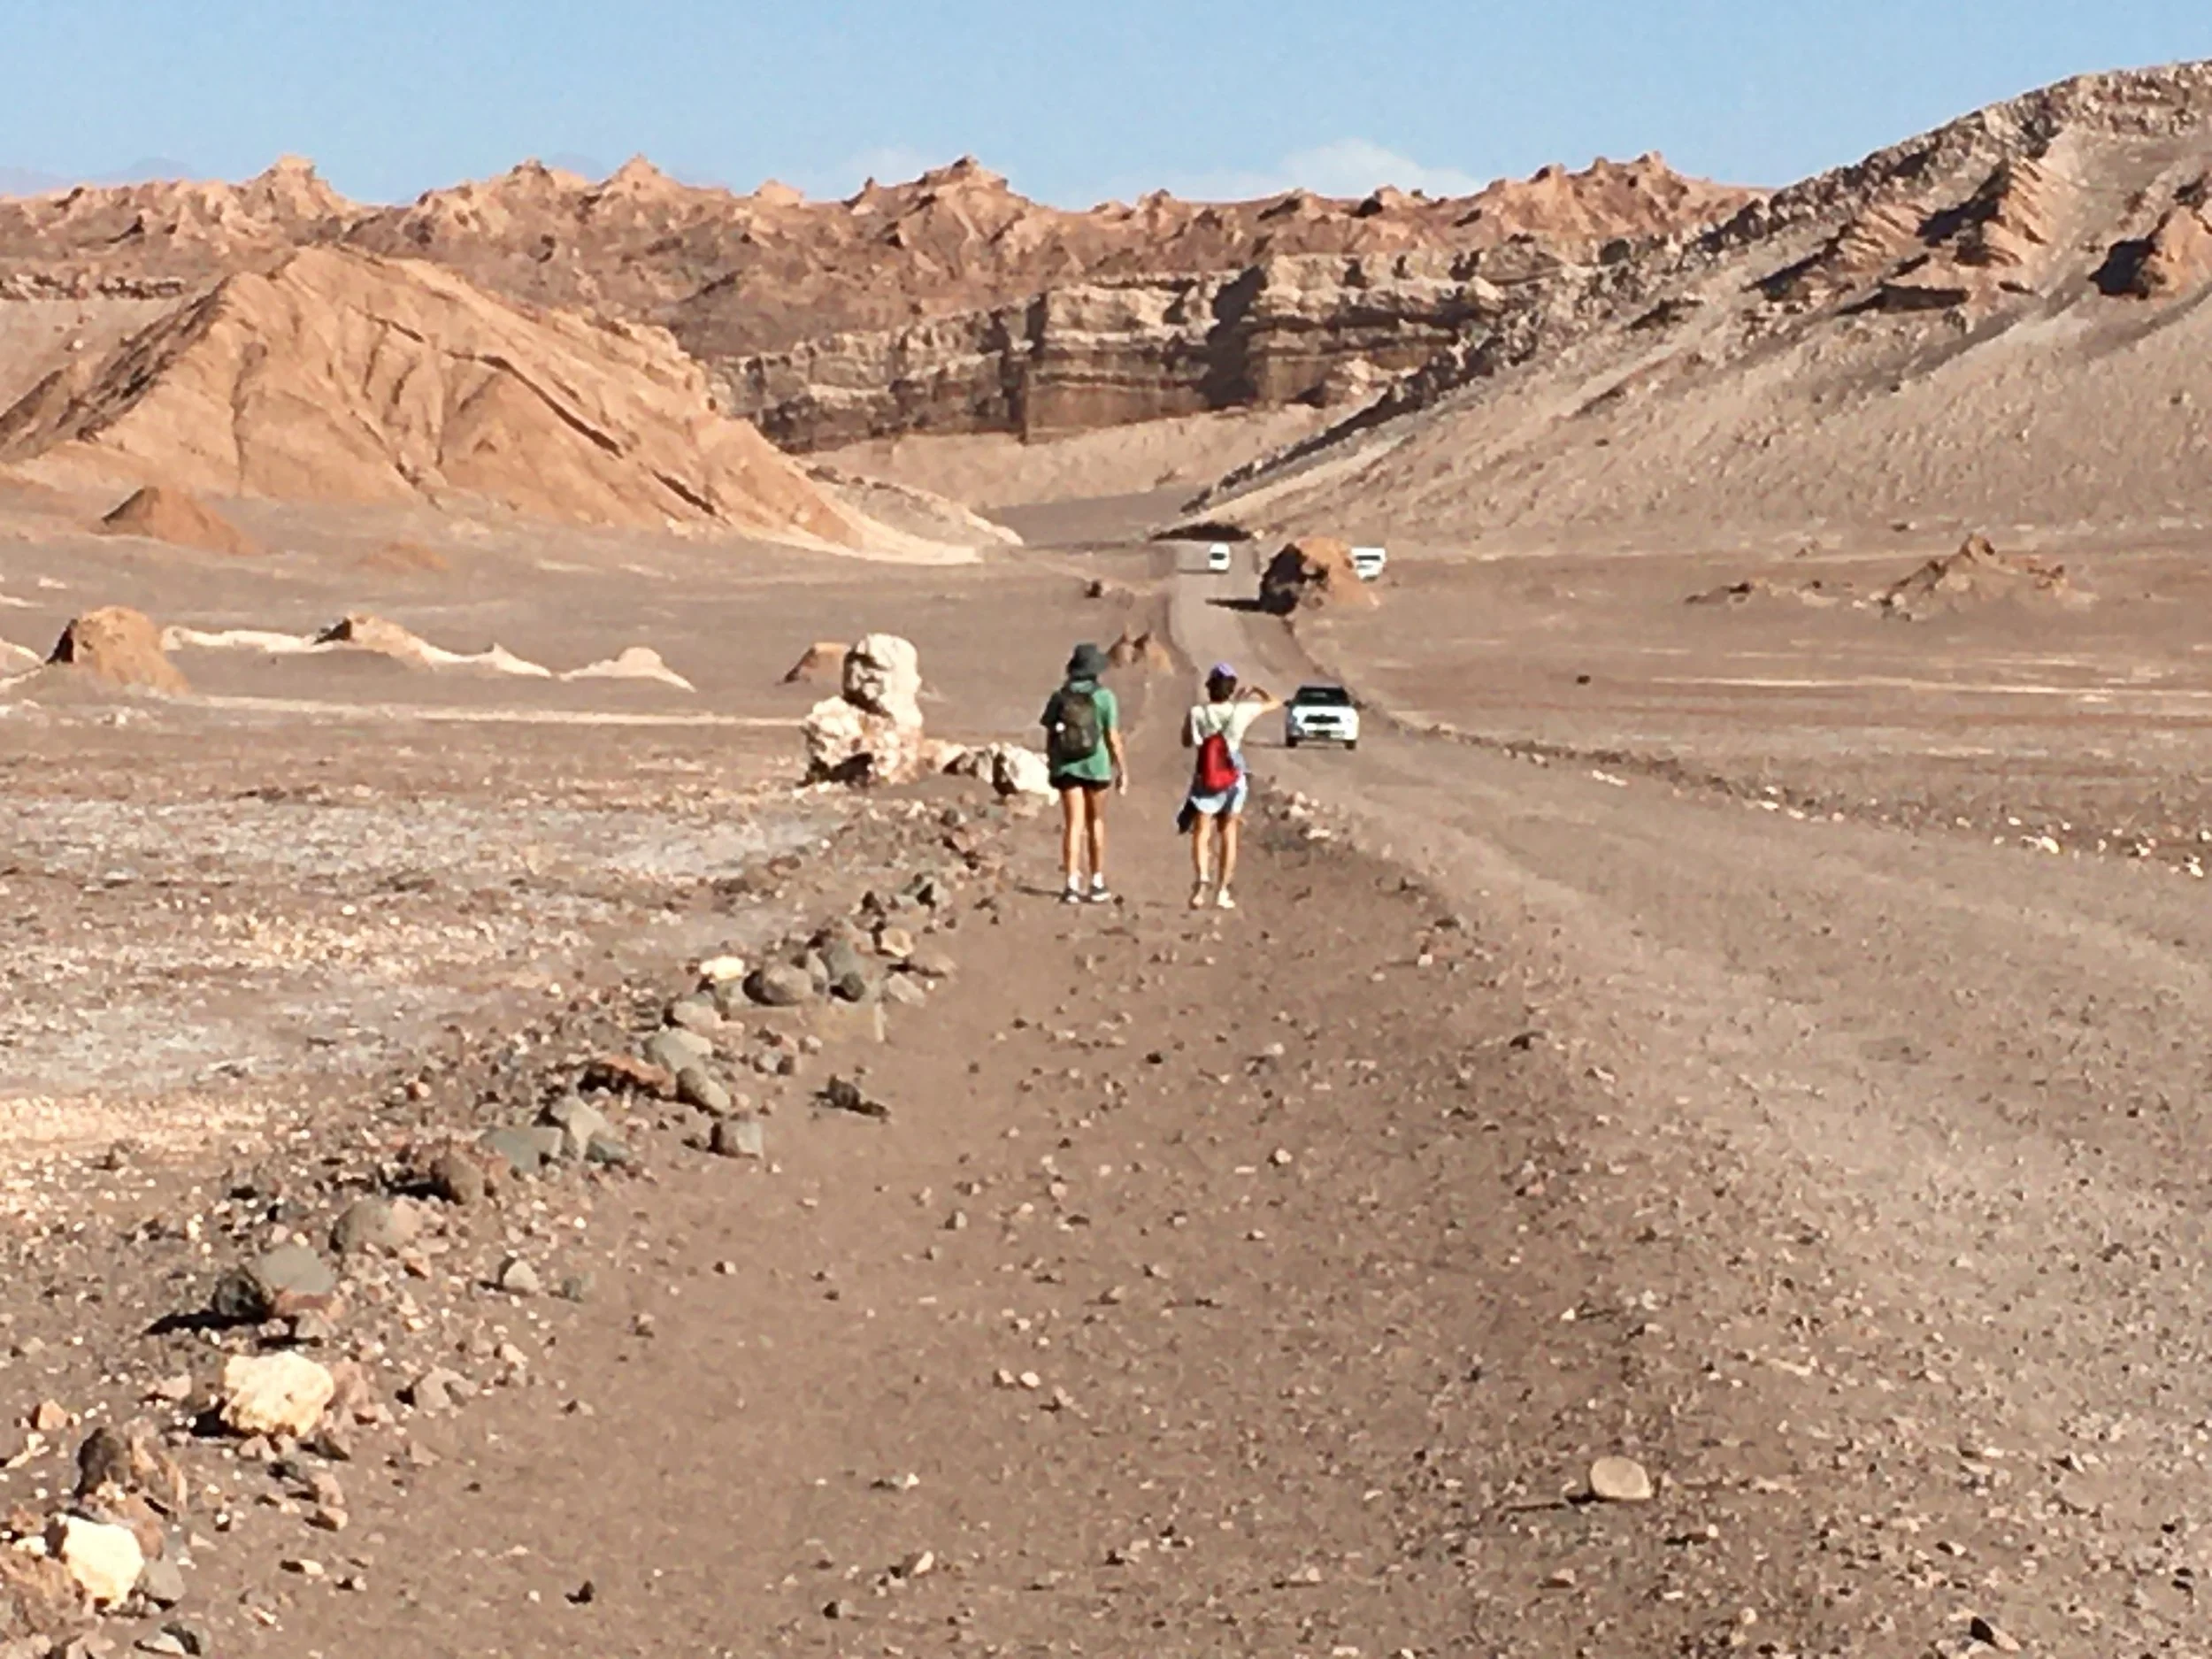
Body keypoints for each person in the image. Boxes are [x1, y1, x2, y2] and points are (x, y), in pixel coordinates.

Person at [1179, 662, 1279, 910]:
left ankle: (1201, 879)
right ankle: (1222, 890)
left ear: (1210, 687)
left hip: (1207, 777)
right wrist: (1254, 690)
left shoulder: (1197, 713)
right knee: (1228, 832)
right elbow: (1275, 702)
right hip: (1234, 777)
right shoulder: (1241, 711)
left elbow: (1186, 742)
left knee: (1202, 830)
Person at [1040, 641, 1126, 903]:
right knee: (1096, 822)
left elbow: (1050, 734)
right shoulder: (1105, 697)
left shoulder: (1060, 697)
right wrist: (1121, 767)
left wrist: (1052, 761)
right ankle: (1097, 881)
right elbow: (1112, 736)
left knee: (1073, 825)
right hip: (1097, 765)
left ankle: (1071, 884)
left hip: (1067, 765)